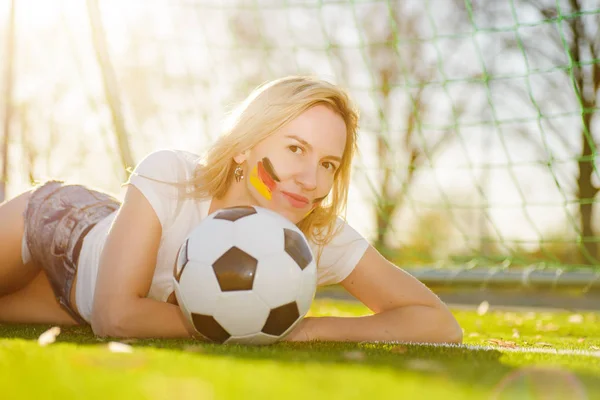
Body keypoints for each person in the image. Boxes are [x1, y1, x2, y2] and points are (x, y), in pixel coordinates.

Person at [0, 76, 462, 344]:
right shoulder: (171, 176)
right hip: (60, 227)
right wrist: (248, 327)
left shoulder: (316, 235)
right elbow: (115, 316)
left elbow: (439, 323)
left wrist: (307, 330)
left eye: (327, 164)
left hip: (69, 304)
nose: (310, 179)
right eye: (295, 149)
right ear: (243, 147)